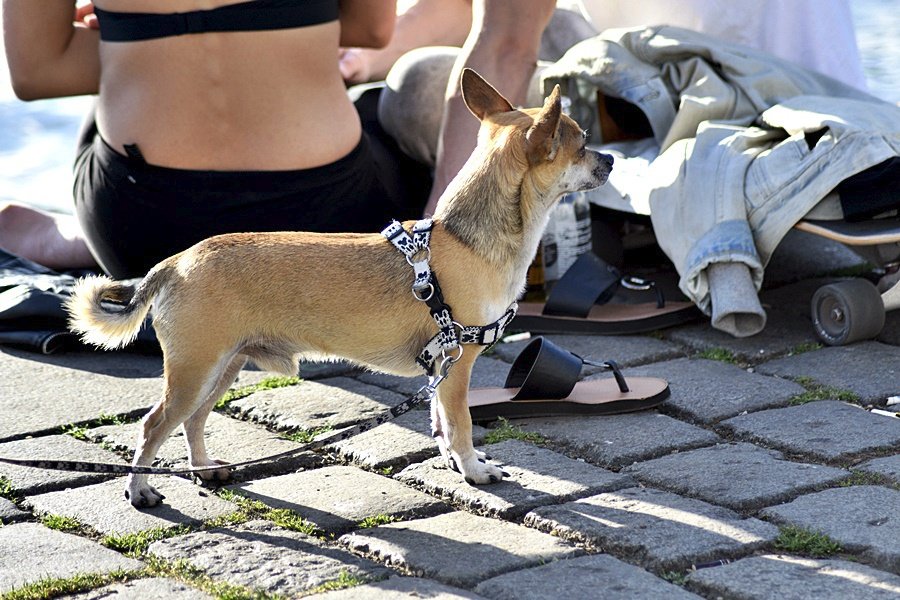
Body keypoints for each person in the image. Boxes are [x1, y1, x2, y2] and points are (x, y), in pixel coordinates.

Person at [2, 0, 430, 278]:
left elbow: (38, 72)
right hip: (329, 224)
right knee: (391, 113)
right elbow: (371, 31)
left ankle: (76, 238)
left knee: (117, 104)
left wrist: (137, 42)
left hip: (141, 229)